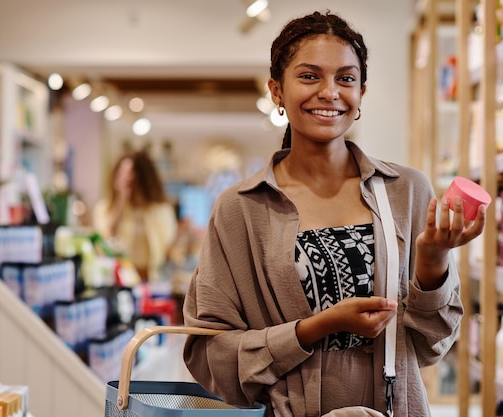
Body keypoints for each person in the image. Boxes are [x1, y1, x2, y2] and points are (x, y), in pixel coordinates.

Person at [182, 10, 486, 417]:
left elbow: (434, 342)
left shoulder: (407, 191)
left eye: (346, 78)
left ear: (361, 92)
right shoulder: (241, 207)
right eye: (309, 76)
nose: (330, 92)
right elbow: (209, 355)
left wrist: (433, 262)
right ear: (276, 90)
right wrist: (316, 327)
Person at [92, 149, 178, 283]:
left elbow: (168, 249)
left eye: (133, 177)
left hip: (153, 280)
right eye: (122, 175)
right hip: (118, 281)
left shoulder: (162, 210)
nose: (128, 181)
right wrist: (121, 200)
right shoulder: (105, 208)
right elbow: (105, 242)